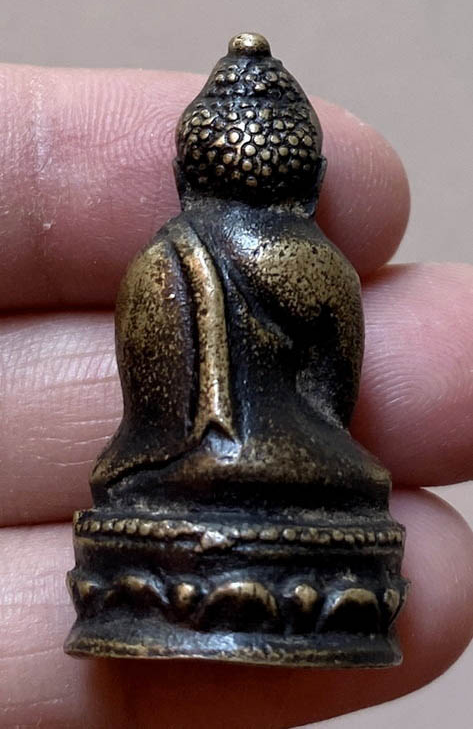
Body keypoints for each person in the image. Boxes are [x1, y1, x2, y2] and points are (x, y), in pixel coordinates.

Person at [0, 61, 472, 728]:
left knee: (122, 493)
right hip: (296, 492)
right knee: (356, 479)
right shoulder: (319, 265)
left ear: (184, 178)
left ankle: (143, 593)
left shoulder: (156, 260)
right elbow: (329, 406)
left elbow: (147, 410)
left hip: (164, 491)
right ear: (312, 181)